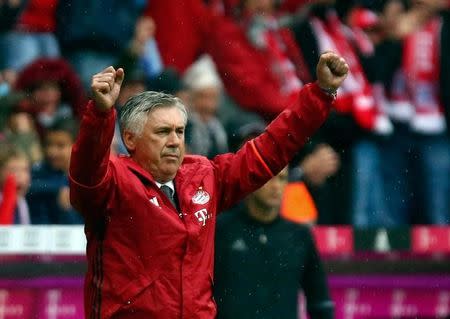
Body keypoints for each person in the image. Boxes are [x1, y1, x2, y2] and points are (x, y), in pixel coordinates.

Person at [69, 51, 348, 318]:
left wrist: (320, 94)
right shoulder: (111, 182)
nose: (175, 141)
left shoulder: (204, 175)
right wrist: (100, 115)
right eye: (163, 132)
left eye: (179, 131)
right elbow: (86, 170)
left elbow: (268, 152)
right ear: (130, 139)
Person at [214, 167, 334, 319]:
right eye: (268, 177)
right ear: (249, 179)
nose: (276, 186)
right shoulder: (220, 230)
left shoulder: (299, 236)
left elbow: (320, 303)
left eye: (282, 178)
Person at [27, 118, 83, 224]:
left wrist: (67, 210)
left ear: (77, 146)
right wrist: (60, 188)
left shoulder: (87, 177)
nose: (52, 152)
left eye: (60, 146)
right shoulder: (39, 171)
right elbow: (28, 186)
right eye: (48, 144)